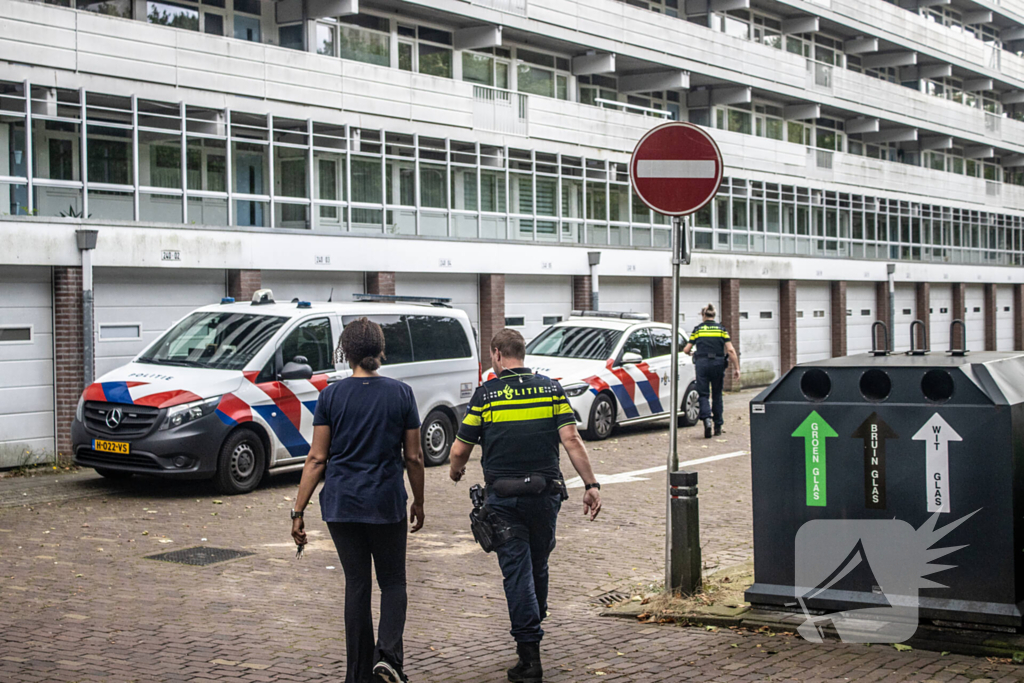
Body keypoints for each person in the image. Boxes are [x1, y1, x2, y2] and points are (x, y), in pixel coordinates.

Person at [449, 329, 602, 683]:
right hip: (545, 496)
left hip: (503, 501)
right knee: (538, 562)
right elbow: (571, 439)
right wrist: (591, 485)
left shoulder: (487, 394)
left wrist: (456, 472)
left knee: (517, 573)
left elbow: (460, 450)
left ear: (498, 354)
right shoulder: (551, 389)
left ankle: (529, 659)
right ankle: (536, 613)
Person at [291, 317, 425, 683]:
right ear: (380, 350)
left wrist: (298, 511)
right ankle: (388, 658)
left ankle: (357, 675)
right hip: (385, 502)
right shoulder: (401, 393)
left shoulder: (331, 395)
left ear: (346, 352)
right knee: (393, 581)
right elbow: (413, 457)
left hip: (341, 504)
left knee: (357, 584)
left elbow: (317, 458)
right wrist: (419, 501)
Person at [682, 303, 740, 439]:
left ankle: (707, 420)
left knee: (703, 394)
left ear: (703, 315)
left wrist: (692, 353)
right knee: (717, 395)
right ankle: (718, 426)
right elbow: (730, 350)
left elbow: (686, 349)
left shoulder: (698, 330)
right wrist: (737, 368)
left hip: (702, 364)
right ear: (714, 315)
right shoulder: (721, 330)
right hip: (718, 364)